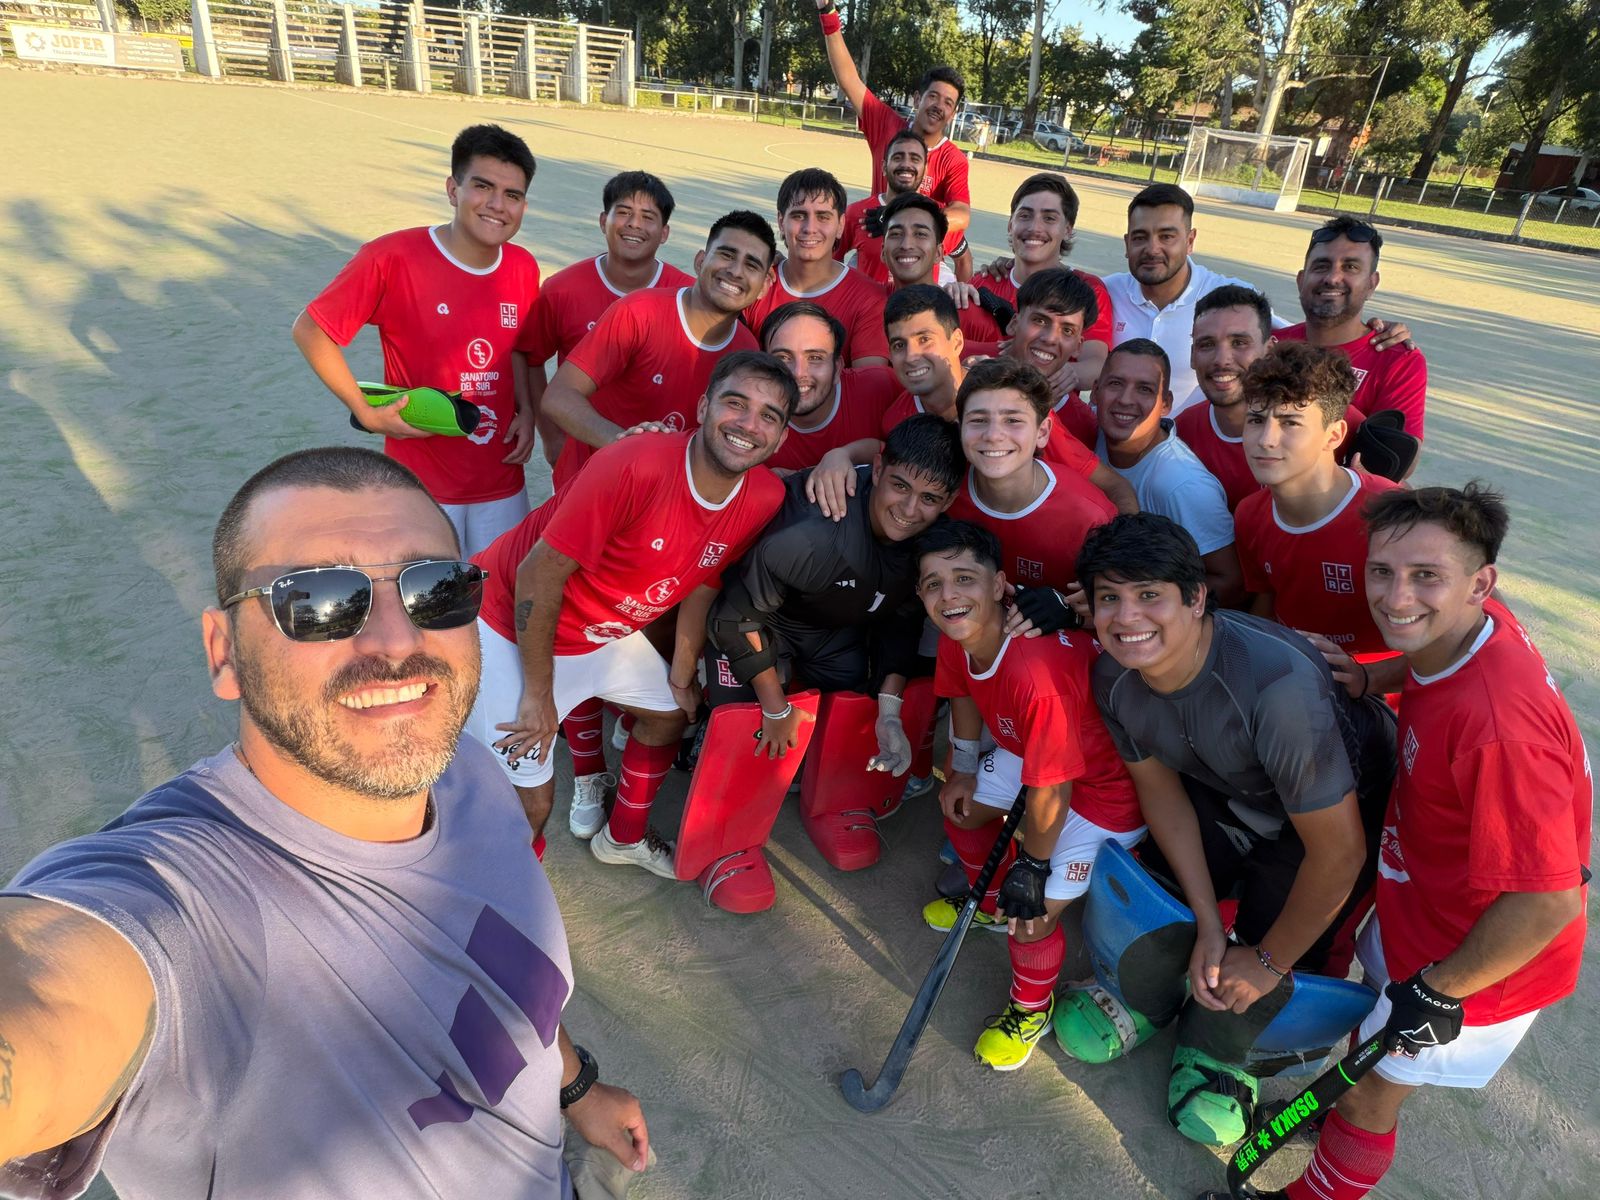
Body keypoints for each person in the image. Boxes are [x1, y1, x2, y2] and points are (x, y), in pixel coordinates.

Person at [0, 447, 648, 1198]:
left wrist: (576, 1090)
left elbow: (506, 986)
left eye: (436, 590)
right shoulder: (174, 903)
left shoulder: (469, 774)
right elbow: (47, 996)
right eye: (317, 602)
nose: (397, 643)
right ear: (224, 653)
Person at [1214, 485, 1589, 1200]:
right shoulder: (1467, 628)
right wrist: (1369, 675)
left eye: (1425, 577)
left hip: (1474, 964)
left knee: (1368, 1098)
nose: (1395, 598)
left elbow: (1549, 904)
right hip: (1426, 906)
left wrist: (1441, 992)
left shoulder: (1499, 728)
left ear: (1481, 583)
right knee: (1364, 1052)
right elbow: (1420, 662)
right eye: (1382, 571)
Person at [1064, 512, 1397, 1147]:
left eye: (1149, 595)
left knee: (1283, 940)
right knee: (1163, 881)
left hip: (1333, 818)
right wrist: (1208, 923)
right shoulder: (1113, 673)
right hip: (1228, 786)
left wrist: (1268, 962)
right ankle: (1148, 992)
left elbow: (1340, 850)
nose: (1127, 618)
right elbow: (1160, 794)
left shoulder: (1278, 691)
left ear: (1196, 598)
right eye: (1110, 597)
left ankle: (1227, 1054)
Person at [471, 352, 795, 872]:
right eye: (735, 403)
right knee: (532, 804)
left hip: (599, 634)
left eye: (768, 416)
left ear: (779, 439)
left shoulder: (764, 496)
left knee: (671, 713)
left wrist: (684, 675)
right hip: (510, 624)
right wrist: (538, 695)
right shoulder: (635, 463)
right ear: (704, 405)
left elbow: (704, 584)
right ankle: (500, 896)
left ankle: (621, 840)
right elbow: (538, 576)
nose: (747, 424)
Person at [915, 520, 1146, 1069]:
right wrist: (965, 769)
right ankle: (988, 902)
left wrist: (1033, 868)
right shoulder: (959, 632)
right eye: (932, 584)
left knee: (1033, 911)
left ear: (1000, 585)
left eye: (965, 578)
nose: (949, 596)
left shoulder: (1034, 671)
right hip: (1041, 758)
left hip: (1103, 795)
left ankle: (1030, 1009)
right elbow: (962, 693)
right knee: (960, 805)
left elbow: (1053, 790)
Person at [703, 414, 962, 839]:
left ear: (949, 500)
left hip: (833, 629)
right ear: (877, 469)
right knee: (738, 727)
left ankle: (831, 803)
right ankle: (726, 833)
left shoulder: (933, 543)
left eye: (930, 498)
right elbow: (733, 617)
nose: (910, 510)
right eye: (900, 486)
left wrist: (890, 711)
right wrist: (774, 707)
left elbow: (902, 622)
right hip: (761, 617)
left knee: (856, 701)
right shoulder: (814, 529)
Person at [292, 124, 542, 557]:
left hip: (502, 479)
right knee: (427, 607)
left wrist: (526, 409)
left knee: (496, 601)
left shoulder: (522, 266)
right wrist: (365, 412)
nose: (497, 206)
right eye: (482, 187)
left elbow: (516, 344)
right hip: (420, 483)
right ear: (453, 189)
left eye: (512, 195)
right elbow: (311, 330)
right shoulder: (391, 258)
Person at [807, 285, 1134, 521]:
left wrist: (1112, 565)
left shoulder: (1013, 413)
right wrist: (841, 454)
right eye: (899, 345)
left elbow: (1114, 487)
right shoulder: (898, 415)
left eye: (925, 340)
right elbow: (882, 452)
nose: (911, 356)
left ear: (957, 342)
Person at [1102, 186, 1414, 412]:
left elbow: (1303, 334)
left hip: (1194, 450)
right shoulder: (1104, 292)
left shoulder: (1231, 299)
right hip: (1114, 442)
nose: (1152, 249)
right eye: (1140, 237)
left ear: (1190, 240)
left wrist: (1372, 330)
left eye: (1167, 236)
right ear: (1127, 243)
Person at [539, 210, 776, 489]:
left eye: (751, 265)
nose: (735, 271)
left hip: (663, 496)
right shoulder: (639, 312)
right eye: (726, 254)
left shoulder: (746, 350)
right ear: (700, 261)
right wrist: (625, 443)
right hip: (592, 484)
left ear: (765, 284)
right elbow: (558, 396)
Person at [1234, 342, 1399, 664]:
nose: (1266, 438)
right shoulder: (1249, 514)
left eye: (1290, 422)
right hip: (1296, 683)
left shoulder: (1393, 515)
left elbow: (1458, 629)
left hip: (1384, 701)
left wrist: (1369, 679)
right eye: (1255, 420)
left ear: (1334, 435)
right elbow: (1268, 601)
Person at [523, 171, 693, 467]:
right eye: (624, 212)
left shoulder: (686, 294)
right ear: (604, 221)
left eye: (648, 216)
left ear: (664, 232)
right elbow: (531, 359)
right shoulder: (562, 289)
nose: (634, 224)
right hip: (581, 461)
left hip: (658, 464)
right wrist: (551, 436)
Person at [944, 357, 1117, 637]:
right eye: (978, 420)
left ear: (1042, 432)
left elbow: (1120, 613)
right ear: (960, 427)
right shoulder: (947, 492)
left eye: (1013, 420)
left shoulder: (1089, 517)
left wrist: (1069, 614)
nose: (993, 435)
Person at [811, 0, 973, 278]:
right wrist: (828, 14)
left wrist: (903, 218)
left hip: (917, 257)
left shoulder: (953, 159)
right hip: (876, 245)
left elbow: (961, 214)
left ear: (953, 113)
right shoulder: (886, 125)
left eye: (948, 102)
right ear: (917, 98)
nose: (938, 105)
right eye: (933, 96)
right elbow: (849, 79)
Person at [1093, 340, 1244, 607]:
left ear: (1166, 403)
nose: (1126, 399)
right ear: (1095, 391)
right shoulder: (1088, 433)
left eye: (1145, 389)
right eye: (1115, 383)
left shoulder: (1182, 484)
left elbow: (1230, 582)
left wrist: (1138, 602)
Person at [955, 173, 1117, 394]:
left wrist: (1054, 370)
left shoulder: (1087, 290)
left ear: (1067, 229)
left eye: (1049, 218)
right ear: (1011, 224)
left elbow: (1095, 366)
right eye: (1025, 215)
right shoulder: (984, 283)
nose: (1035, 227)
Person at [1275, 216, 1429, 442]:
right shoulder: (1272, 345)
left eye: (1351, 267)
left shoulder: (1397, 361)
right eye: (1321, 266)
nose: (1333, 277)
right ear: (1301, 279)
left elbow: (1397, 461)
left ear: (1371, 284)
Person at [743, 168, 889, 367]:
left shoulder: (870, 299)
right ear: (780, 221)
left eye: (823, 216)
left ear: (840, 225)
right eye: (798, 215)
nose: (810, 228)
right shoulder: (757, 286)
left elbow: (868, 385)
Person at [760, 301, 899, 473]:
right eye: (783, 357)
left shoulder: (881, 386)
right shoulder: (751, 419)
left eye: (815, 358)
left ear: (837, 368)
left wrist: (851, 454)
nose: (798, 373)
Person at [1175, 284, 1277, 512]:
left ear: (1269, 351)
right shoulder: (1181, 433)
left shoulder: (1317, 421)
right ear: (1192, 356)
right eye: (1207, 345)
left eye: (1239, 343)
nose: (1222, 360)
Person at [878, 194, 1005, 347]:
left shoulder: (971, 316)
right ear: (883, 252)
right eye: (896, 234)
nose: (906, 244)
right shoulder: (868, 304)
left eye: (920, 234)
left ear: (939, 253)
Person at [836, 130, 929, 285]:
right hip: (868, 308)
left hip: (919, 308)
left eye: (915, 158)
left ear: (925, 169)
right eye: (898, 157)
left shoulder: (937, 215)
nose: (906, 164)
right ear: (884, 167)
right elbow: (831, 260)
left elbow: (963, 261)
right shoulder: (856, 213)